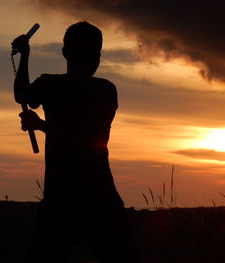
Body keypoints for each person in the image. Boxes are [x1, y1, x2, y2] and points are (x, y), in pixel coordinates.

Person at [12, 21, 141, 263]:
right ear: (98, 55)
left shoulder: (51, 84)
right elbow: (85, 134)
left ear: (64, 53)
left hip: (62, 198)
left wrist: (25, 57)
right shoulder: (106, 90)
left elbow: (24, 95)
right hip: (101, 196)